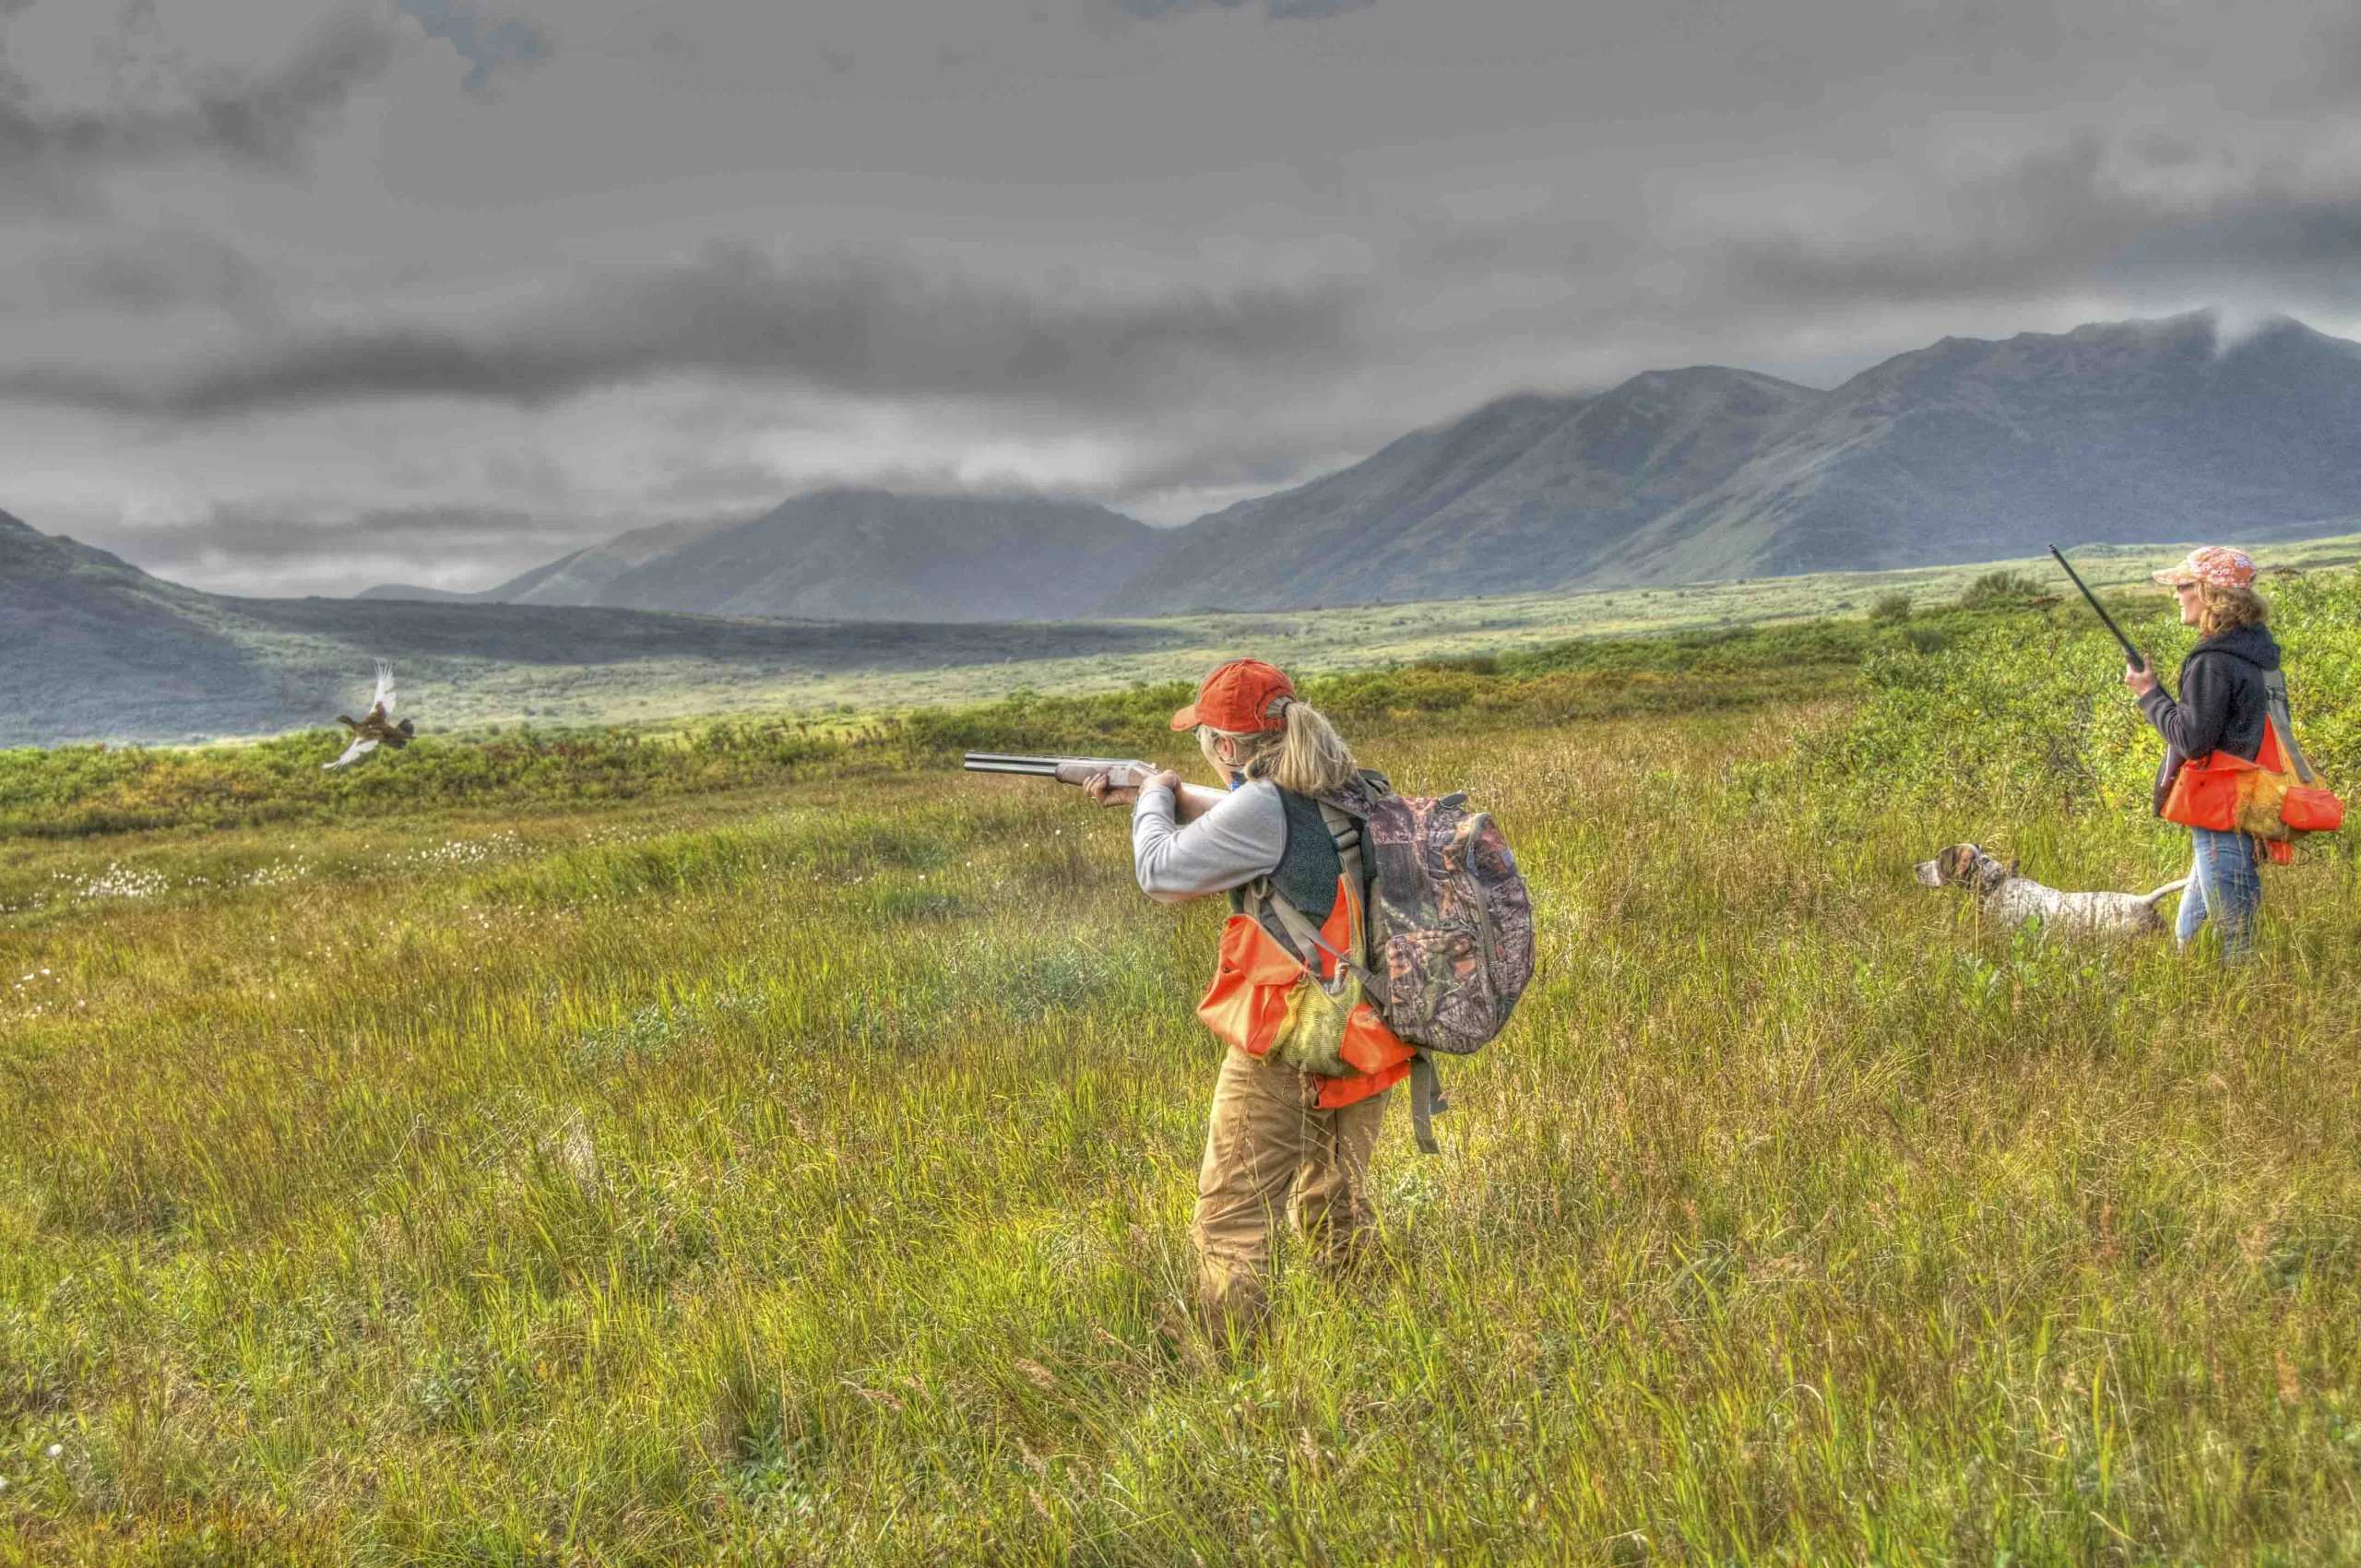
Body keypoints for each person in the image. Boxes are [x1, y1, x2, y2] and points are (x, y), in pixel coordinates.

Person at [1086, 658, 1415, 1345]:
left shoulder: (1265, 806)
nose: (1201, 745)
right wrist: (1169, 798)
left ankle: (1241, 1386)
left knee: (1232, 1222)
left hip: (1292, 1041)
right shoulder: (1354, 786)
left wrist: (1154, 797)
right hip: (1368, 1031)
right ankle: (1374, 1344)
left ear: (1227, 747)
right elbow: (1272, 827)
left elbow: (1162, 873)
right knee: (1337, 1203)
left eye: (1204, 736)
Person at [2124, 545, 2282, 962]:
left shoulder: (2213, 660)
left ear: (2210, 592)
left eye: (2183, 584)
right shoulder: (2256, 648)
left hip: (2221, 808)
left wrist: (2148, 695)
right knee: (2188, 934)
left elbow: (2192, 741)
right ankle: (2186, 986)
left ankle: (2247, 1017)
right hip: (2246, 800)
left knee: (2238, 937)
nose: (2176, 593)